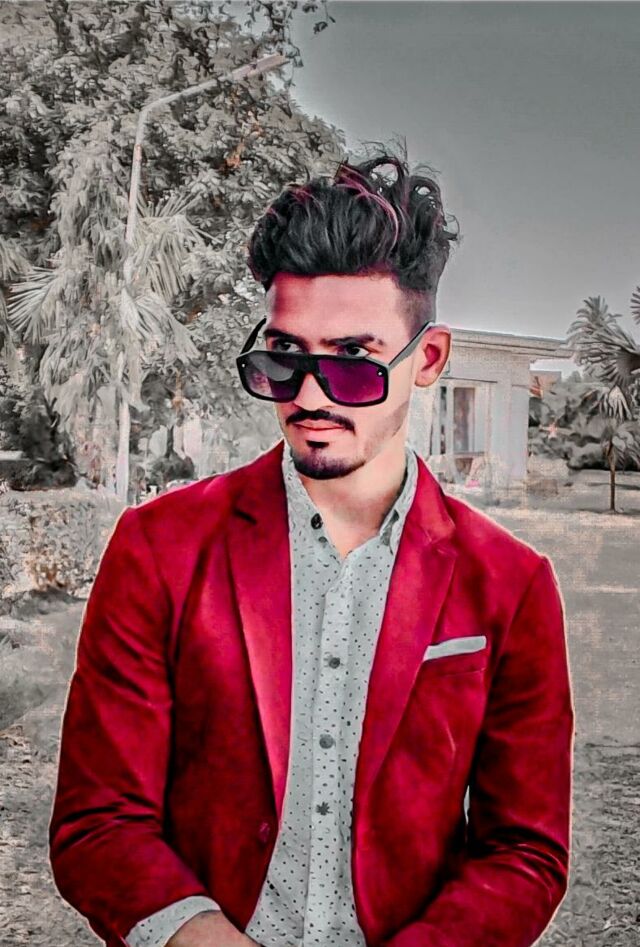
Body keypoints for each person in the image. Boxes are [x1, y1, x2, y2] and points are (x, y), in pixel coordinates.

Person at [49, 151, 575, 947]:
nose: (311, 394)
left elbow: (524, 851)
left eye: (354, 361)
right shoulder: (159, 548)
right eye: (284, 357)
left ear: (428, 359)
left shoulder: (511, 583)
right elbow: (99, 819)